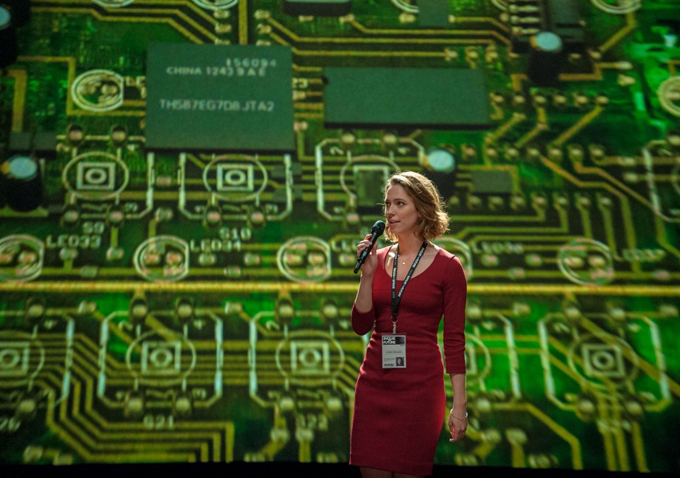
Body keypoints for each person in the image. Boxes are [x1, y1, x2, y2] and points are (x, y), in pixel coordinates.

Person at [350, 171, 468, 478]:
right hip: (375, 384)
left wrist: (459, 405)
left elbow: (454, 340)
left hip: (420, 389)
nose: (390, 212)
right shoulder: (376, 259)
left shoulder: (448, 267)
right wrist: (366, 277)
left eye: (400, 204)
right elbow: (360, 325)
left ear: (422, 209)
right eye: (387, 204)